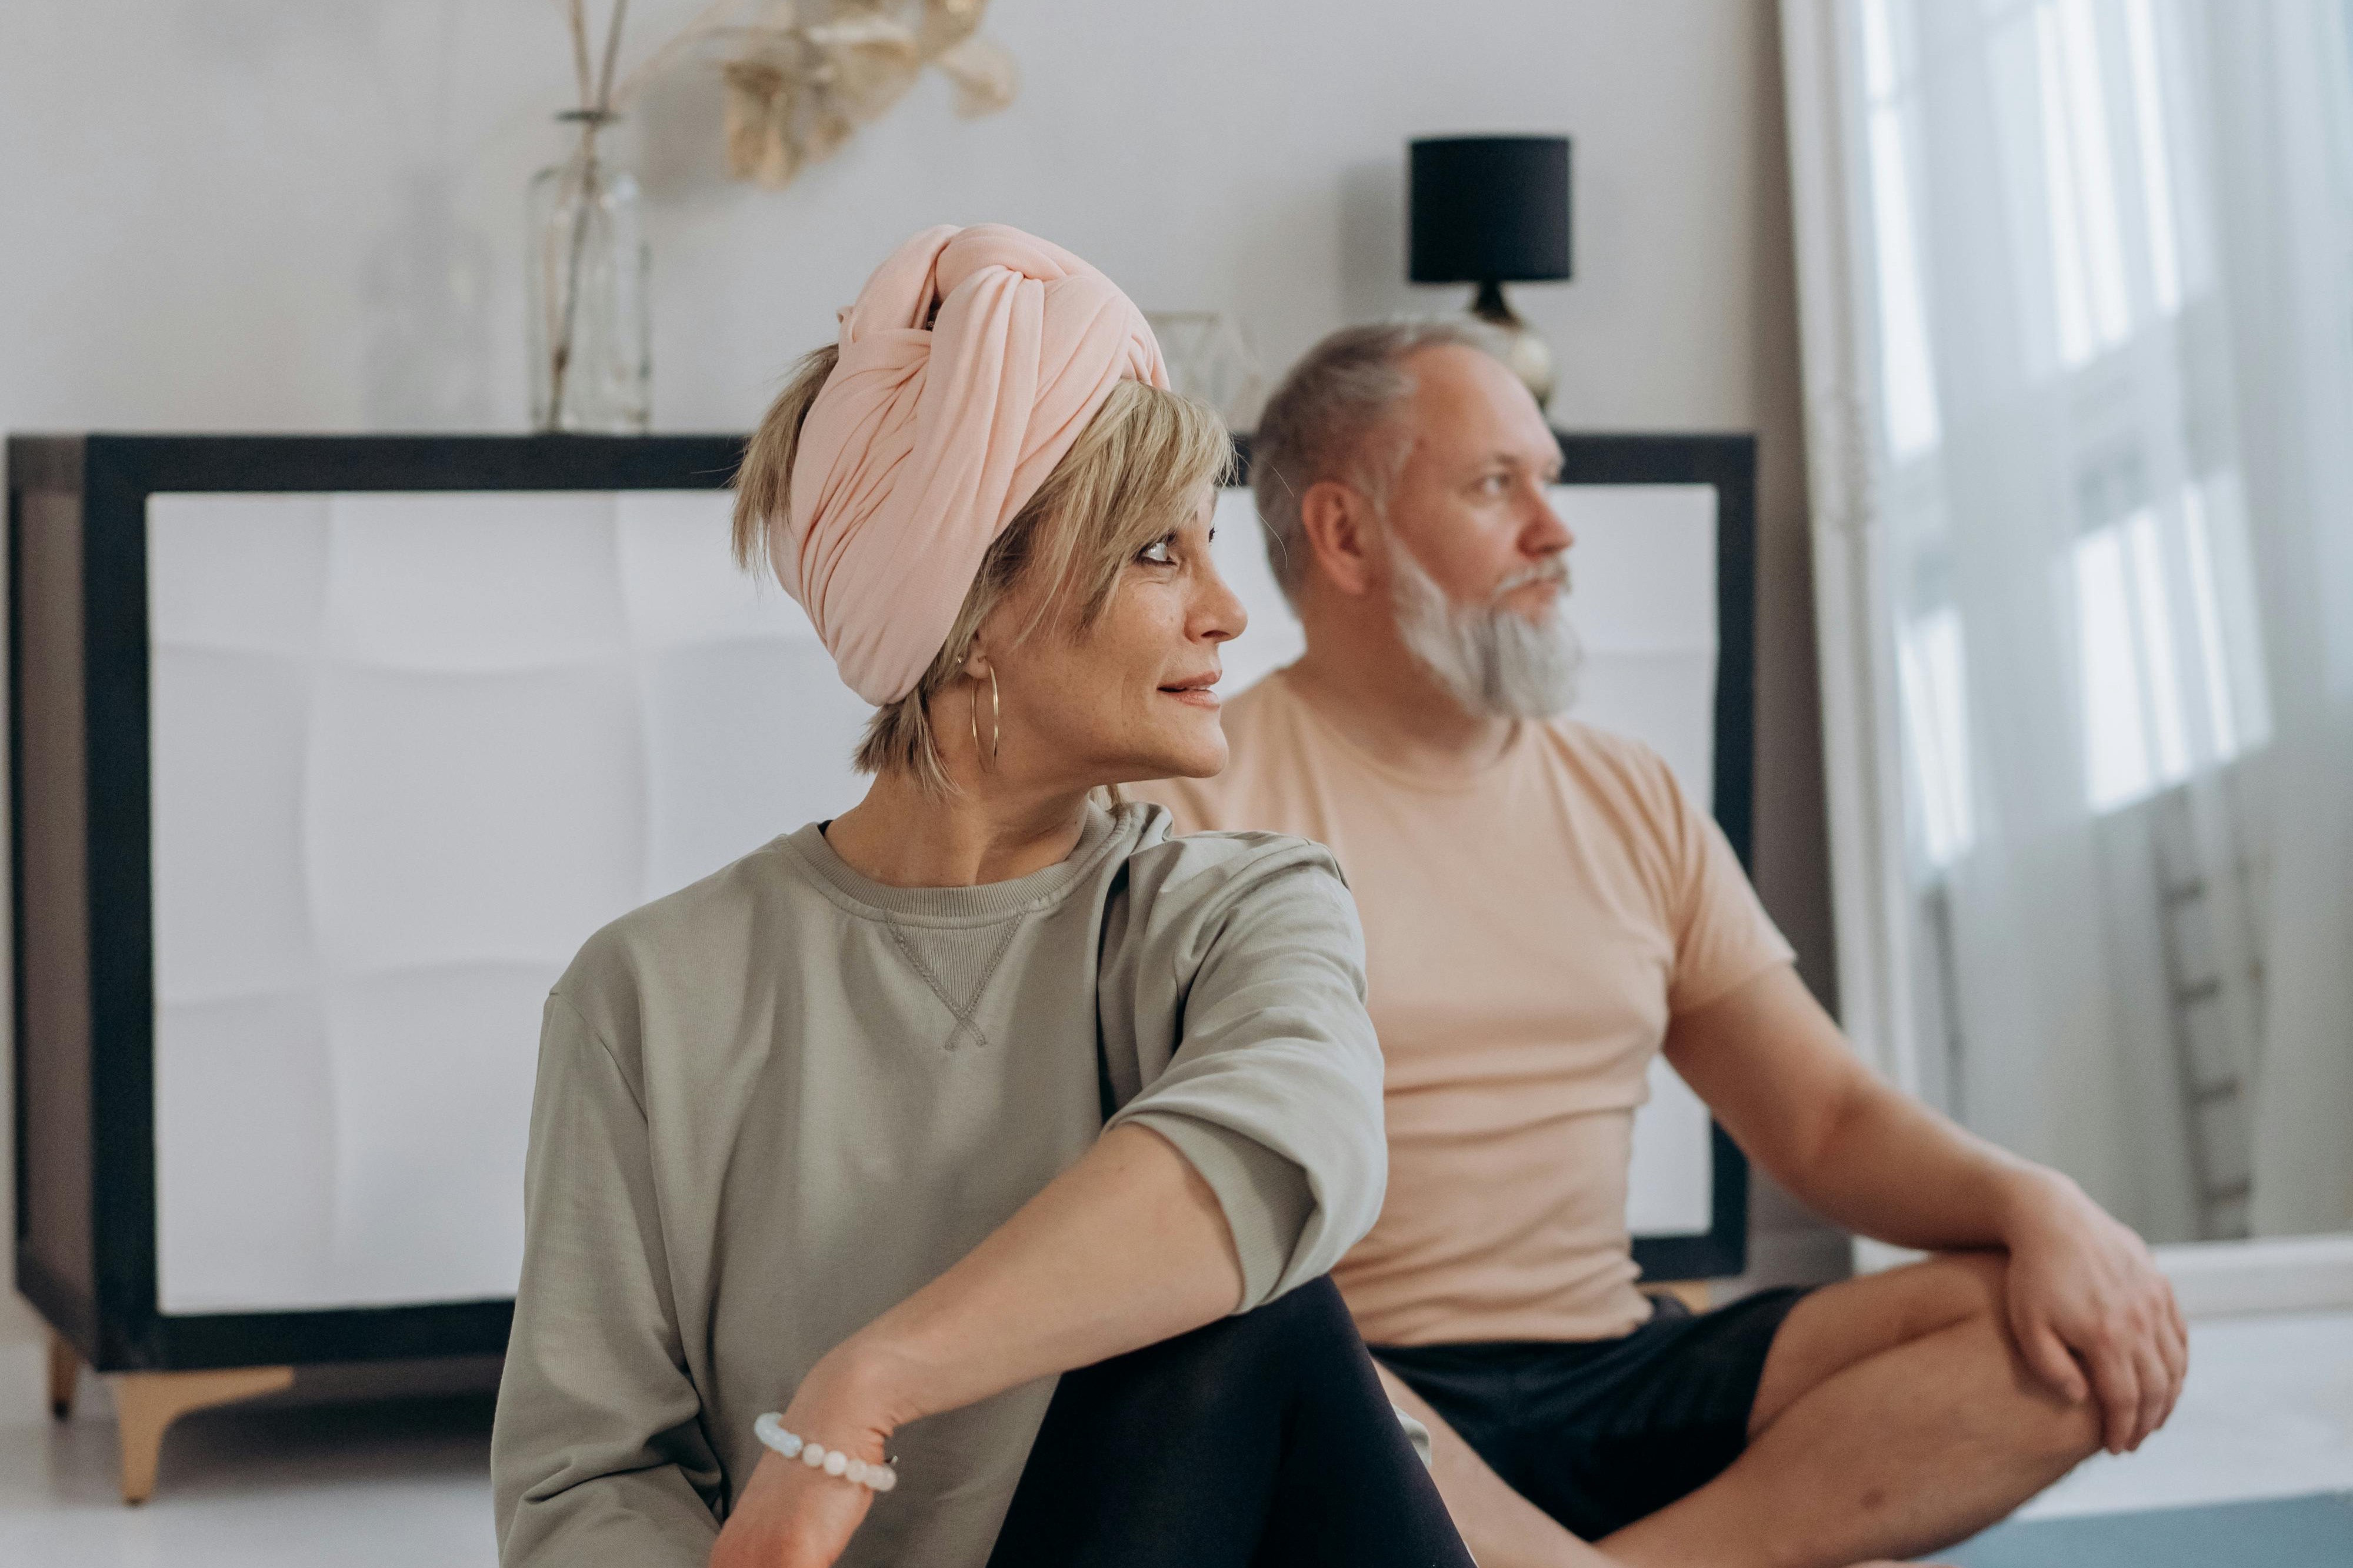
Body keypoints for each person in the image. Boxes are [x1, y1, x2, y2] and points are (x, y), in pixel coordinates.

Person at [488, 229, 1476, 1568]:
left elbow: (1284, 1147)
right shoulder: (650, 993)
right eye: (1156, 556)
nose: (1229, 611)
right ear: (971, 611)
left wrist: (867, 1387)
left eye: (1210, 544)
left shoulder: (1241, 910)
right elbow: (587, 1474)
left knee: (1247, 1318)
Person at [1132, 322, 2190, 1568]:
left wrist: (2040, 1203)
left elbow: (1824, 1122)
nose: (1554, 529)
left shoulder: (1626, 793)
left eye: (1549, 479)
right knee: (1227, 1341)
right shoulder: (1192, 806)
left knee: (2048, 1341)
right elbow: (1164, 1214)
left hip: (1613, 1361)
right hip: (1359, 1390)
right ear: (1344, 535)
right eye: (1494, 486)